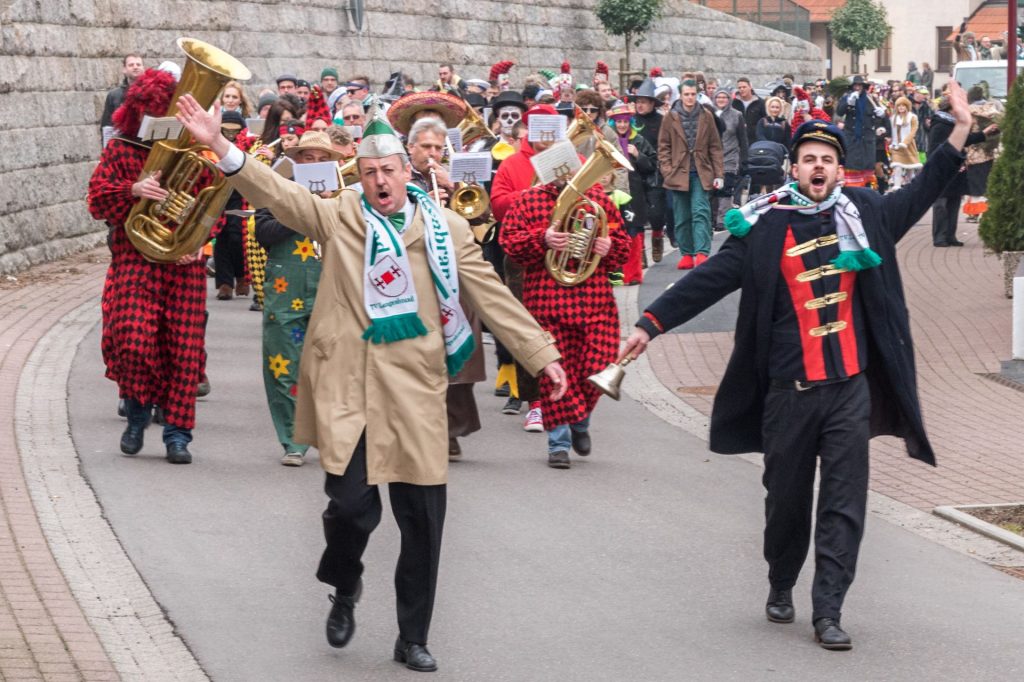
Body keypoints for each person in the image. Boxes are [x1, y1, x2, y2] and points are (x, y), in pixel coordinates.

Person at [175, 96, 566, 673]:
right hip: (348, 385)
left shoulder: (447, 228)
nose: (380, 181)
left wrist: (541, 355)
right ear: (357, 177)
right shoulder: (340, 215)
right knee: (351, 509)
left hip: (414, 388)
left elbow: (490, 294)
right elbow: (278, 195)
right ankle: (345, 583)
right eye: (369, 172)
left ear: (409, 172)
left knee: (423, 522)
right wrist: (221, 146)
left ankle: (412, 637)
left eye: (389, 171)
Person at [621, 81, 975, 651]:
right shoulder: (765, 224)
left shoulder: (867, 215)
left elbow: (927, 187)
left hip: (848, 390)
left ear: (840, 170)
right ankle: (781, 579)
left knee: (844, 501)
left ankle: (829, 609)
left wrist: (958, 128)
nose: (818, 166)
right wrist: (649, 324)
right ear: (795, 167)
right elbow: (710, 280)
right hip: (788, 390)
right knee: (785, 501)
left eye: (828, 160)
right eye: (809, 158)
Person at [88, 68, 209, 465]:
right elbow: (97, 202)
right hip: (134, 260)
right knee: (133, 340)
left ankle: (178, 434)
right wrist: (134, 189)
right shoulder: (121, 149)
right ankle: (137, 416)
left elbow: (214, 203)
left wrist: (200, 241)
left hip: (181, 264)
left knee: (183, 351)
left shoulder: (194, 152)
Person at [499, 146, 629, 469]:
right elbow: (509, 243)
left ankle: (580, 421)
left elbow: (624, 247)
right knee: (556, 374)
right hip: (546, 300)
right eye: (558, 170)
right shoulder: (529, 200)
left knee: (597, 368)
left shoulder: (598, 200)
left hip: (594, 301)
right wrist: (542, 240)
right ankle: (558, 443)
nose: (566, 176)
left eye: (570, 169)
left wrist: (609, 247)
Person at [405, 117, 487, 459]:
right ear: (411, 148)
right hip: (414, 274)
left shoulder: (457, 178)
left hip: (453, 277)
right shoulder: (399, 176)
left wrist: (452, 190)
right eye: (426, 147)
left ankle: (450, 429)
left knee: (458, 356)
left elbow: (482, 223)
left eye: (439, 147)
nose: (433, 153)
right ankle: (423, 429)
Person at [254, 130, 337, 466]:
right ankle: (293, 440)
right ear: (297, 161)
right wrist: (301, 208)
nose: (313, 164)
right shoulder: (276, 190)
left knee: (332, 364)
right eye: (307, 158)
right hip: (286, 286)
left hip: (331, 285)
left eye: (321, 160)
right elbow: (264, 234)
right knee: (283, 361)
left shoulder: (345, 194)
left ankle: (332, 434)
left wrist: (330, 206)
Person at [659, 79, 725, 270]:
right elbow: (663, 146)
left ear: (697, 94)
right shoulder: (670, 117)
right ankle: (686, 253)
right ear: (680, 95)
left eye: (693, 94)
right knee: (681, 215)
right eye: (686, 94)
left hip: (701, 171)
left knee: (700, 211)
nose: (689, 97)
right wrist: (667, 169)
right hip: (677, 172)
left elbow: (715, 146)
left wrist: (718, 174)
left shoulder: (706, 115)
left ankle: (702, 252)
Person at [927, 96, 1000, 246]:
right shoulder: (940, 125)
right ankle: (940, 236)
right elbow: (935, 149)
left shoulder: (953, 124)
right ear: (951, 110)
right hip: (943, 169)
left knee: (953, 201)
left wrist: (984, 133)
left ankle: (950, 236)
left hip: (956, 167)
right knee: (941, 203)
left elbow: (965, 140)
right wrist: (949, 161)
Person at [608, 101, 658, 284]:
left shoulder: (639, 140)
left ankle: (633, 275)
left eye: (625, 121)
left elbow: (652, 165)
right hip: (612, 193)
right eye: (618, 122)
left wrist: (638, 155)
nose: (622, 125)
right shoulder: (607, 141)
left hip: (635, 194)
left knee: (634, 234)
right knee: (613, 233)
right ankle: (615, 274)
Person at [632, 78, 668, 262]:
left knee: (656, 214)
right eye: (637, 101)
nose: (640, 105)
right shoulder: (630, 120)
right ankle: (641, 254)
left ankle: (657, 238)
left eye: (643, 102)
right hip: (635, 171)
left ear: (652, 103)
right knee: (637, 214)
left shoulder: (662, 121)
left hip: (655, 172)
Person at [835, 76, 885, 189]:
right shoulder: (847, 97)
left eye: (860, 85)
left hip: (867, 139)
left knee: (867, 167)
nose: (857, 87)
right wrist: (849, 102)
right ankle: (851, 189)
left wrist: (881, 115)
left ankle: (867, 191)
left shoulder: (870, 99)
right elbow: (839, 112)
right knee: (852, 165)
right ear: (852, 87)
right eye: (855, 85)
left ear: (863, 87)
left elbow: (881, 118)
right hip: (852, 138)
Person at [711, 88, 749, 231]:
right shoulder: (709, 114)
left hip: (730, 157)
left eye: (724, 97)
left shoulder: (736, 115)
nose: (721, 100)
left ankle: (722, 219)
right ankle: (713, 218)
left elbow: (742, 139)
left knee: (726, 188)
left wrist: (744, 159)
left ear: (729, 99)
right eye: (718, 97)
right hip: (713, 158)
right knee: (713, 189)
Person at [100, 54, 145, 145]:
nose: (135, 67)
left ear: (143, 68)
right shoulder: (113, 95)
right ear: (124, 69)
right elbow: (107, 125)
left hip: (146, 145)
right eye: (131, 65)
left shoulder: (153, 92)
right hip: (123, 146)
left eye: (138, 64)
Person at [889, 96, 922, 190]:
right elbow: (892, 131)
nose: (901, 107)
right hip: (896, 146)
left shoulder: (912, 117)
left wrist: (905, 142)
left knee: (910, 168)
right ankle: (897, 186)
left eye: (903, 106)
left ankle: (909, 186)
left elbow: (913, 131)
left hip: (908, 146)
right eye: (899, 106)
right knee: (897, 166)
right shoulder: (893, 118)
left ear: (907, 107)